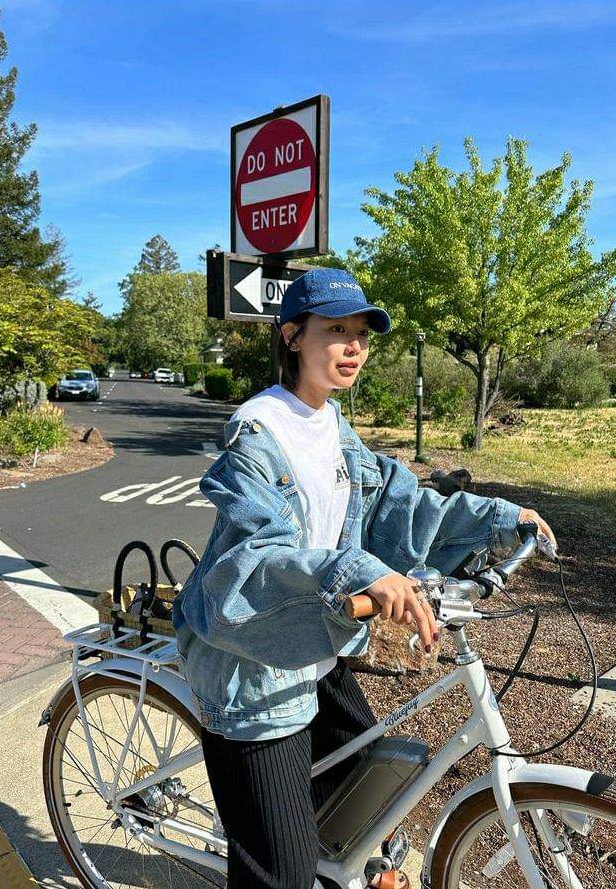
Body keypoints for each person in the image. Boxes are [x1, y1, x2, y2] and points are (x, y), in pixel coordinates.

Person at [171, 267, 556, 889]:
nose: (353, 347)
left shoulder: (333, 426)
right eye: (336, 330)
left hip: (316, 644)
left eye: (362, 334)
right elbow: (253, 559)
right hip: (253, 663)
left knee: (368, 796)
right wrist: (359, 572)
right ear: (293, 336)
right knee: (282, 873)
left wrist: (500, 519)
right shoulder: (257, 433)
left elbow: (400, 508)